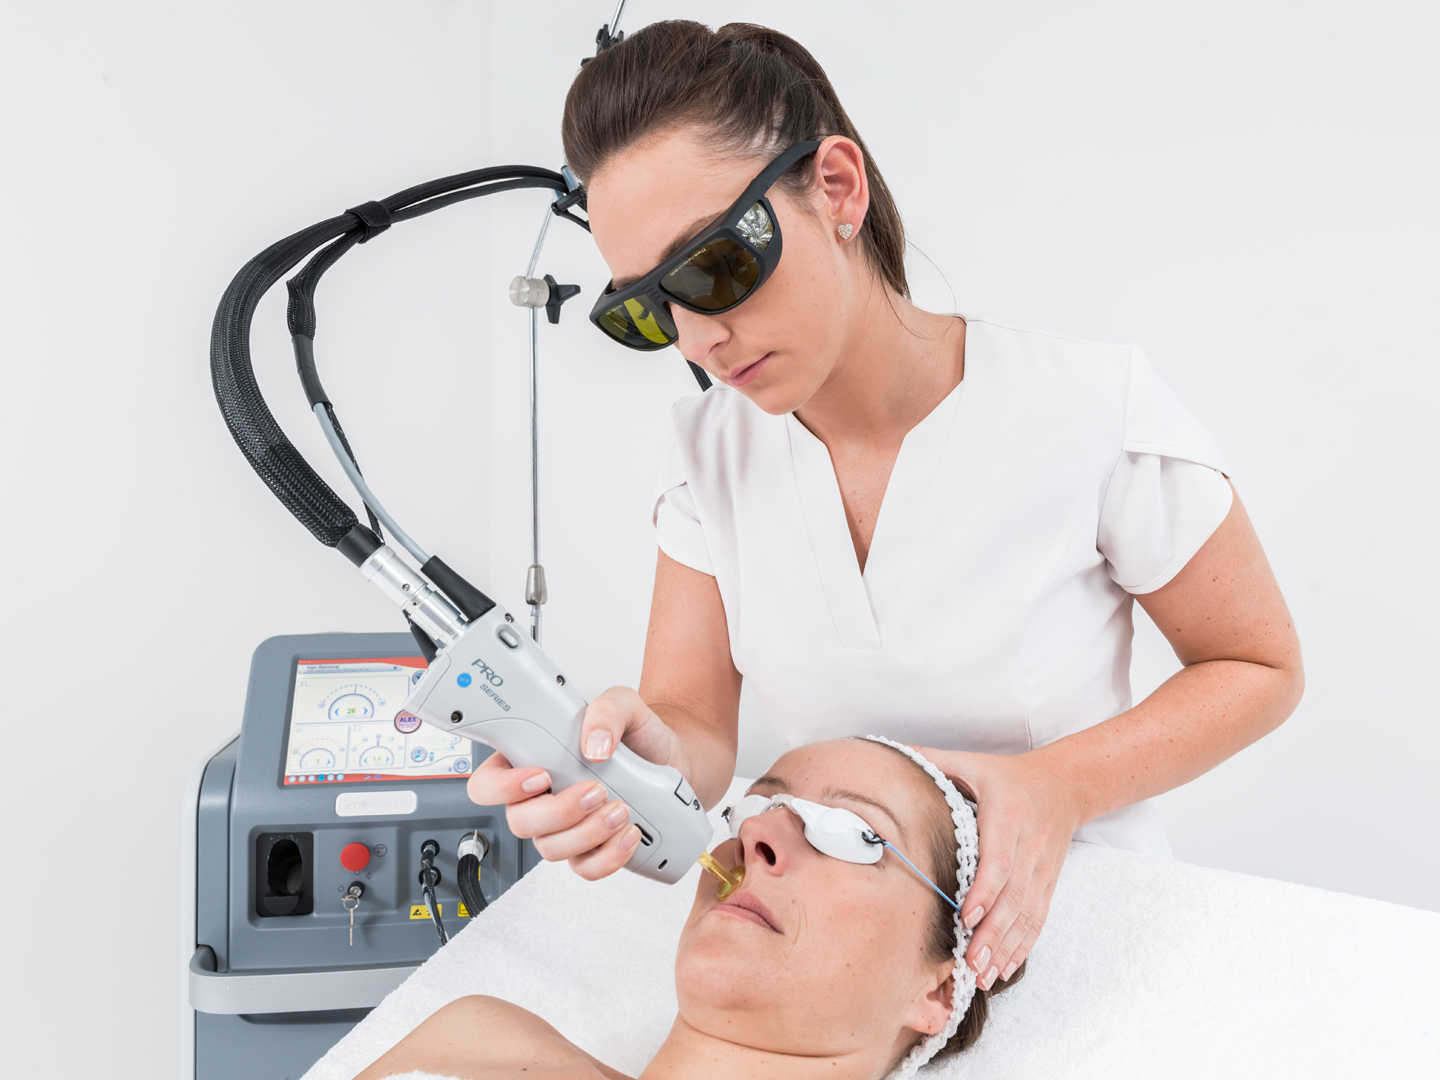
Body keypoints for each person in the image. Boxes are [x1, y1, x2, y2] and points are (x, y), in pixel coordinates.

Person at [469, 20, 1304, 993]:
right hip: (844, 956)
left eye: (712, 266)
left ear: (836, 188)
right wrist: (636, 765)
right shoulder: (707, 457)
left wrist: (1059, 788)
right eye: (649, 309)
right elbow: (694, 727)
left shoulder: (1087, 409)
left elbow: (1259, 666)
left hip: (1080, 930)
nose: (696, 340)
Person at [359, 738, 1022, 1080]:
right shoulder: (480, 1035)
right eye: (757, 806)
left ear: (937, 991)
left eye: (854, 834)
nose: (756, 832)